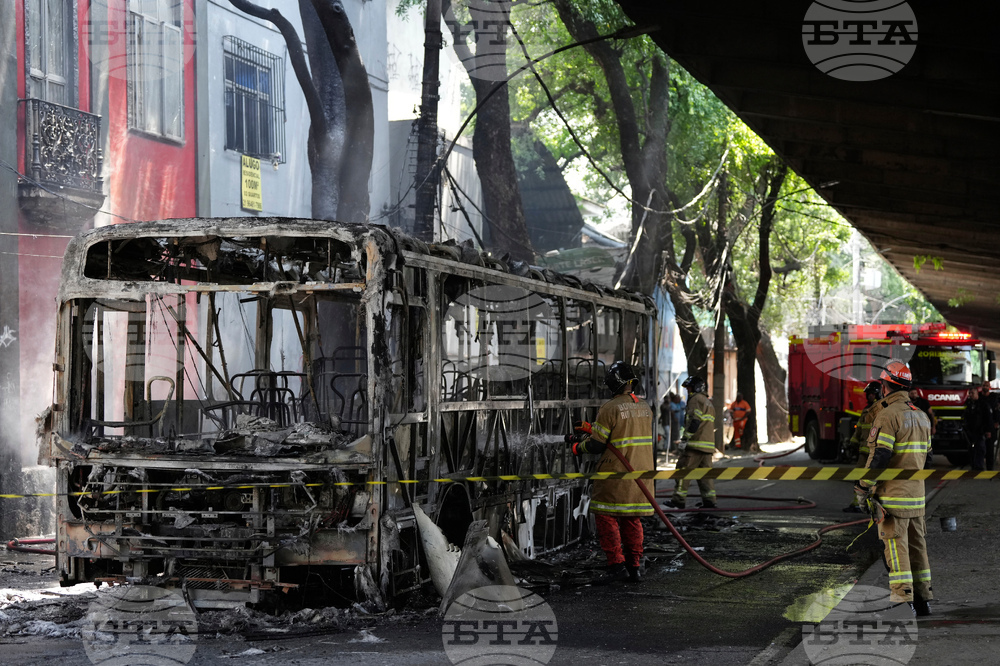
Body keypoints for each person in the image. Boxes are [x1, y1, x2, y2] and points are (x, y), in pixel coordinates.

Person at [856, 360, 933, 616]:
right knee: (917, 549)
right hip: (917, 497)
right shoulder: (921, 416)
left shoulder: (888, 415)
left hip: (893, 499)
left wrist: (863, 486)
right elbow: (928, 459)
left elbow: (880, 458)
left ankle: (902, 602)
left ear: (886, 386)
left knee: (897, 550)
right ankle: (923, 600)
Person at [567, 361, 654, 583]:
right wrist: (593, 429)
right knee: (632, 519)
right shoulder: (645, 407)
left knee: (606, 516)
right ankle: (634, 567)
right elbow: (623, 432)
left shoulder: (609, 408)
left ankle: (616, 565)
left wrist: (578, 447)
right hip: (641, 475)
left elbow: (597, 445)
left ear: (613, 384)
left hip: (615, 473)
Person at [668, 375, 717, 509]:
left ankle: (678, 500)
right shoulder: (708, 402)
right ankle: (709, 501)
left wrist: (685, 439)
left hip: (695, 445)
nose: (687, 391)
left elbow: (694, 421)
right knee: (705, 475)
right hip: (707, 446)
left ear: (696, 388)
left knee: (682, 470)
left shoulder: (695, 399)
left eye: (689, 388)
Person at [843, 381, 883, 513]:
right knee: (859, 477)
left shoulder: (882, 410)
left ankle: (874, 504)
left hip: (876, 452)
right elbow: (859, 429)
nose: (869, 396)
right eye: (868, 394)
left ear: (878, 394)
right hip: (863, 452)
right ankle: (857, 503)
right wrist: (852, 443)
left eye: (872, 394)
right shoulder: (865, 411)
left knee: (874, 479)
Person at [963, 386, 993, 471]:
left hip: (980, 431)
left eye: (972, 393)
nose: (970, 395)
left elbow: (988, 418)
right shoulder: (969, 404)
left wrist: (988, 430)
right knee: (972, 449)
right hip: (971, 431)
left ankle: (979, 467)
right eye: (970, 393)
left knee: (980, 449)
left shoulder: (983, 404)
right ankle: (973, 466)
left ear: (977, 394)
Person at [908, 388, 937, 467]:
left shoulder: (924, 402)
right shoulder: (907, 403)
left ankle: (927, 463)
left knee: (928, 447)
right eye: (912, 393)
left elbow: (931, 414)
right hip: (912, 429)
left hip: (924, 428)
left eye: (915, 393)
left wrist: (933, 427)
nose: (914, 395)